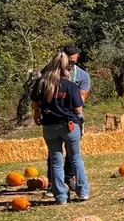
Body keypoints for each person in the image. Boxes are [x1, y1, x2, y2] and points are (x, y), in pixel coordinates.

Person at [32, 51, 89, 204]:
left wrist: (37, 114)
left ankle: (61, 196)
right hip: (69, 126)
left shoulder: (42, 84)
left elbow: (35, 103)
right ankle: (82, 192)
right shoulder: (70, 86)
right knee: (75, 158)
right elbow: (78, 109)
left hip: (49, 126)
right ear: (66, 68)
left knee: (55, 161)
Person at [61, 43, 90, 194]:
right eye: (69, 61)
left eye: (73, 61)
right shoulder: (50, 74)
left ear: (77, 57)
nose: (71, 65)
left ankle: (69, 178)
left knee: (73, 152)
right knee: (54, 154)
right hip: (55, 117)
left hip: (73, 117)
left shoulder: (82, 76)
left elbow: (81, 100)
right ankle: (53, 182)